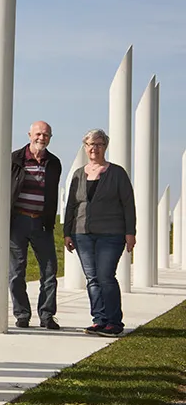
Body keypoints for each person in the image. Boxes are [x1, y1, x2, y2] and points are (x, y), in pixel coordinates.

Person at [63, 128, 136, 337]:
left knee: (105, 276)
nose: (94, 148)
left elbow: (128, 204)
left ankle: (114, 322)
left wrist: (130, 232)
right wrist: (67, 233)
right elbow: (71, 206)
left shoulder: (117, 173)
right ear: (85, 148)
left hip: (112, 233)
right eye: (90, 144)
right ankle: (99, 320)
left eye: (99, 144)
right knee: (92, 278)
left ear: (105, 147)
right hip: (82, 233)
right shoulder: (79, 174)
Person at [9, 121, 62, 329]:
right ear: (29, 134)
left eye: (47, 135)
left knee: (49, 271)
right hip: (18, 221)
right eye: (38, 134)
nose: (42, 137)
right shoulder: (15, 159)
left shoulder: (54, 162)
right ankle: (22, 314)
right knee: (16, 272)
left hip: (42, 222)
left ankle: (47, 315)